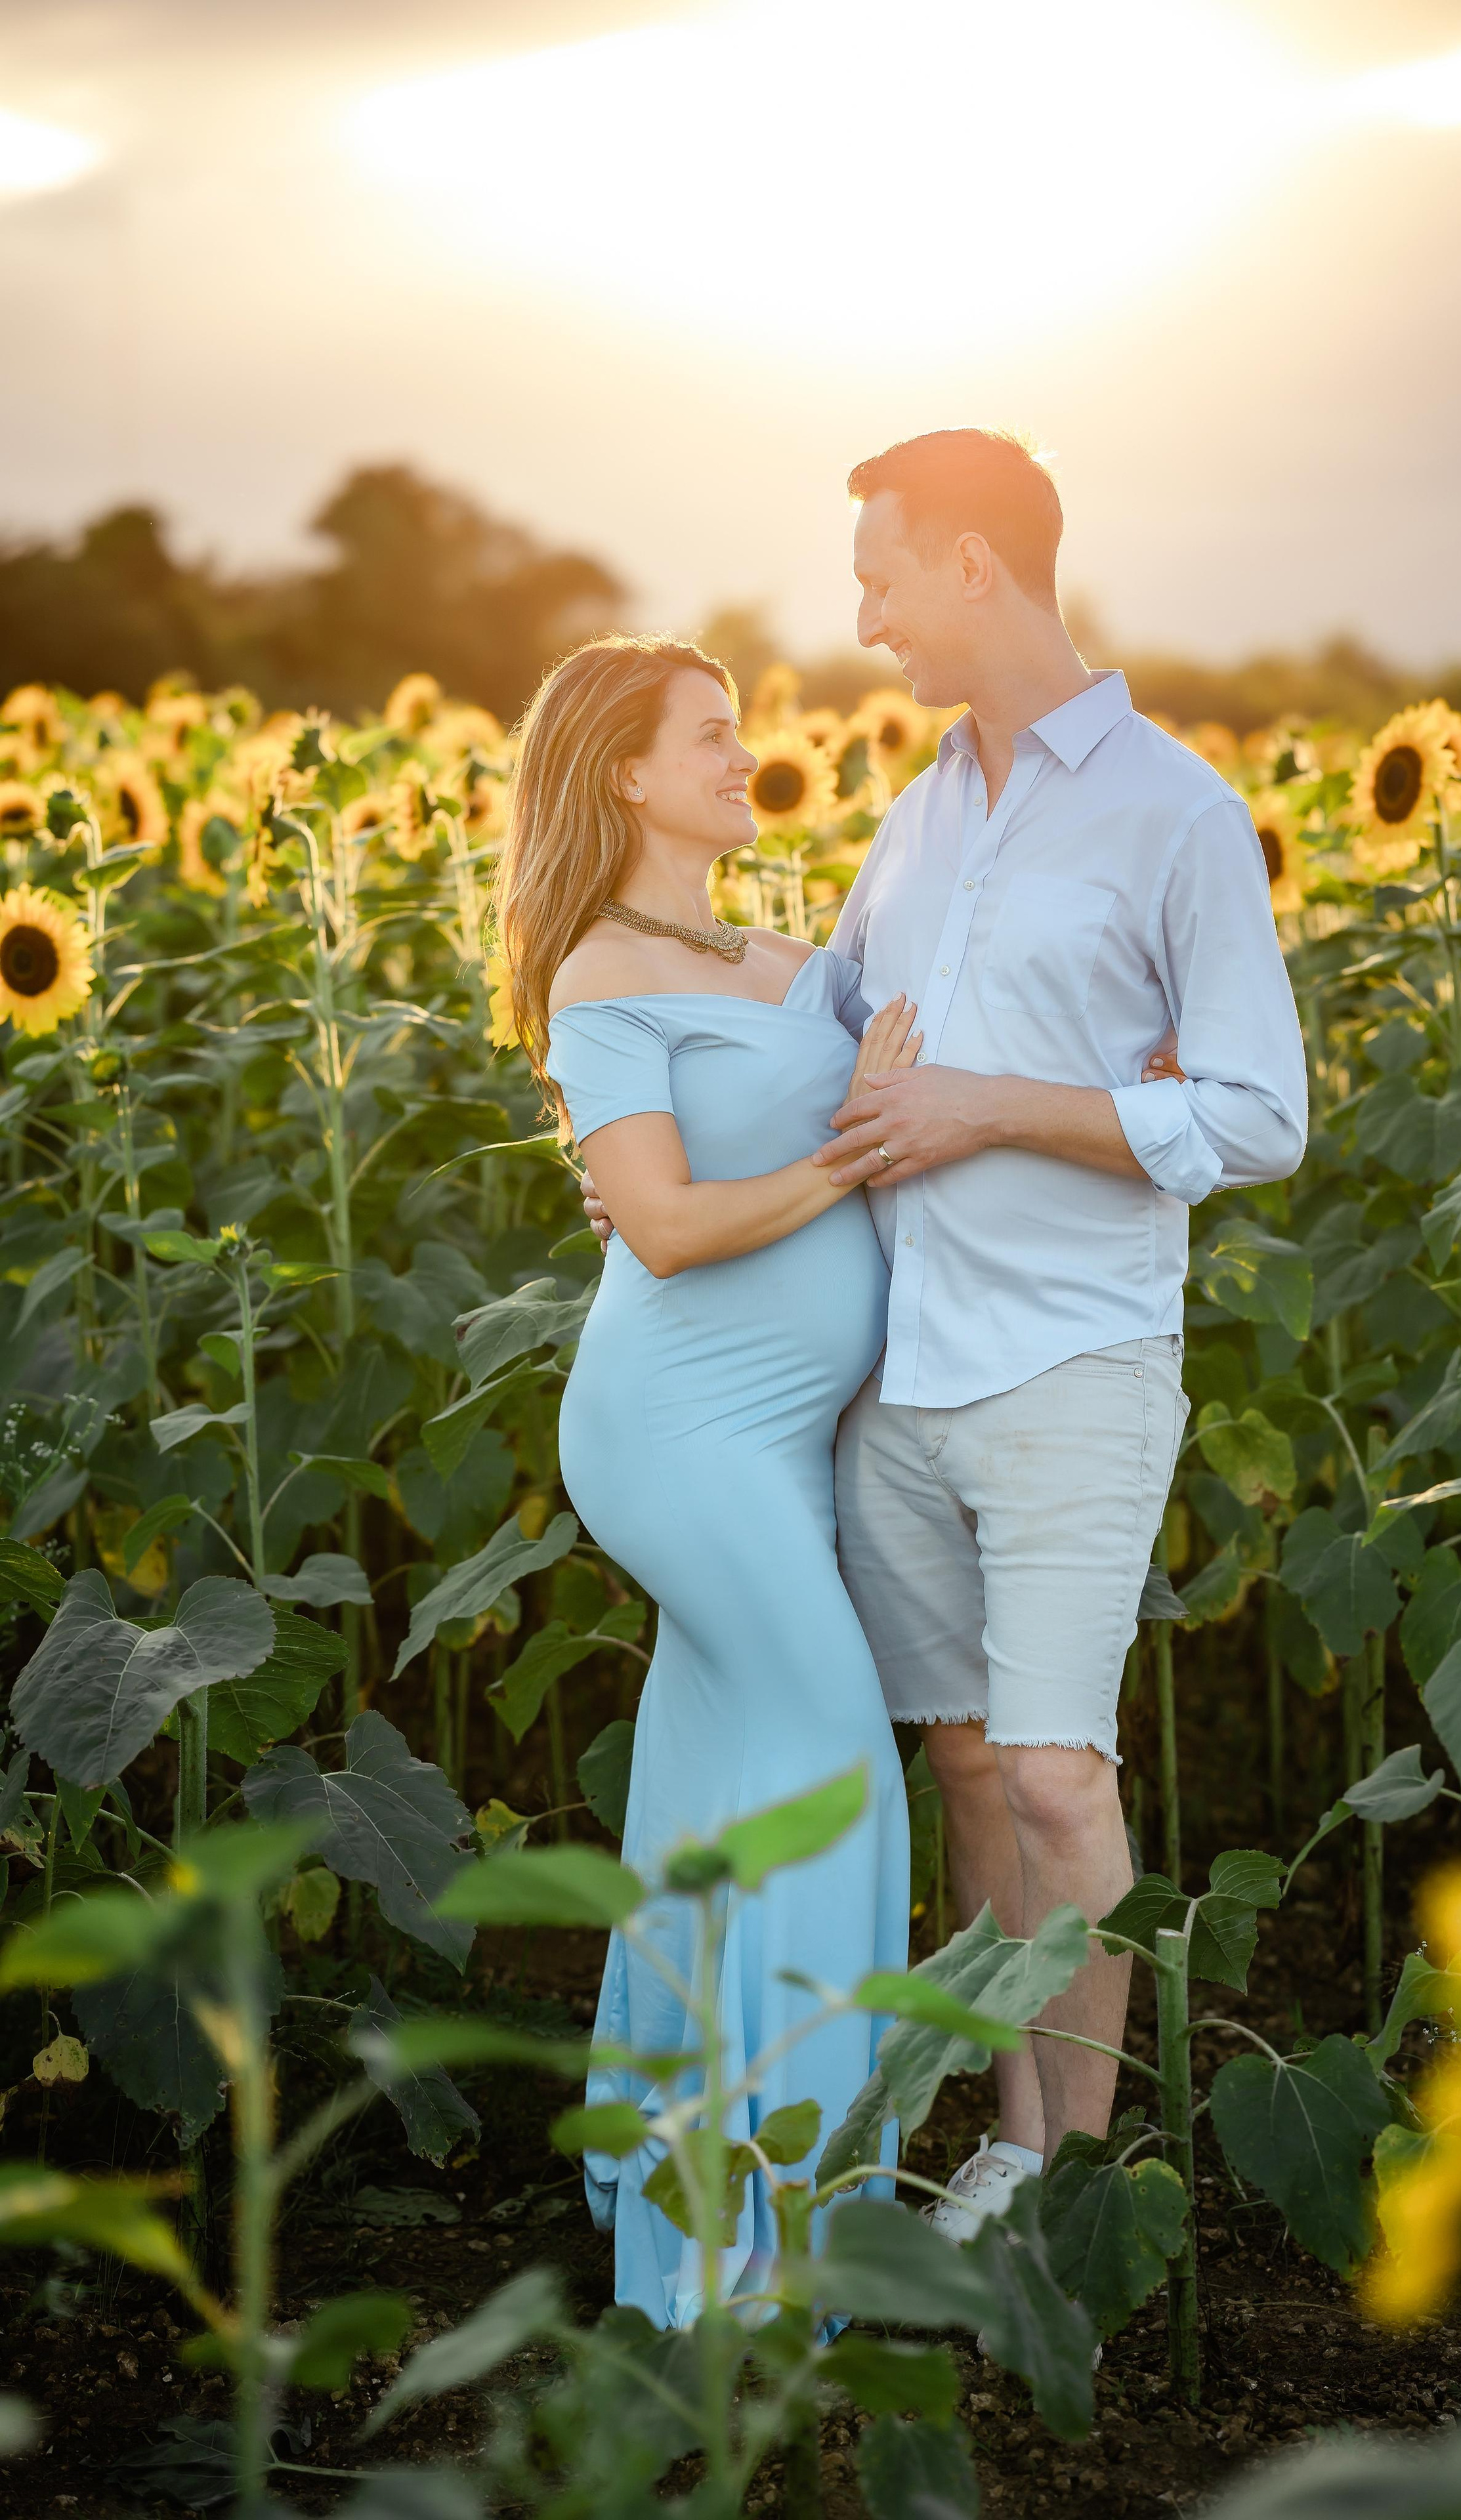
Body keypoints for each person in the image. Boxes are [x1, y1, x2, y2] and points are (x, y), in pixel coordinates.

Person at [815, 429, 1309, 2229]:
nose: (862, 620)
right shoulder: (920, 807)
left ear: (969, 566)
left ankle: (1076, 2175)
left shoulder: (1174, 811)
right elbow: (837, 1022)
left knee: (1053, 1771)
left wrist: (1001, 1106)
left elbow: (1262, 1114)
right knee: (962, 1762)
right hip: (901, 1367)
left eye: (878, 576)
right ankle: (1012, 2137)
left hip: (1071, 1362)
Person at [492, 634, 918, 2329]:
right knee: (834, 1773)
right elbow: (661, 1229)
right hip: (678, 1433)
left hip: (786, 1445)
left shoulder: (793, 957)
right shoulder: (600, 976)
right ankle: (774, 2247)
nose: (751, 757)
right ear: (624, 773)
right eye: (714, 737)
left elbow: (931, 1051)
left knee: (709, 1809)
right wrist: (847, 1147)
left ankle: (664, 2217)